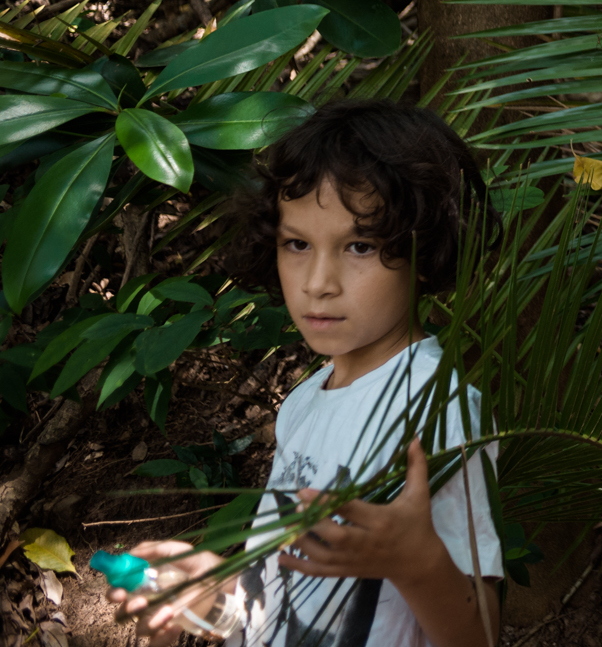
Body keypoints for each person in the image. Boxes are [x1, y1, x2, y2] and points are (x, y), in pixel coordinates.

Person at [106, 100, 503, 647]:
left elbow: (477, 635)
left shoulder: (433, 404)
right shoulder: (303, 404)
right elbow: (280, 598)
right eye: (297, 244)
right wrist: (208, 594)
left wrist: (420, 563)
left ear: (427, 252)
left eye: (359, 246)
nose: (318, 281)